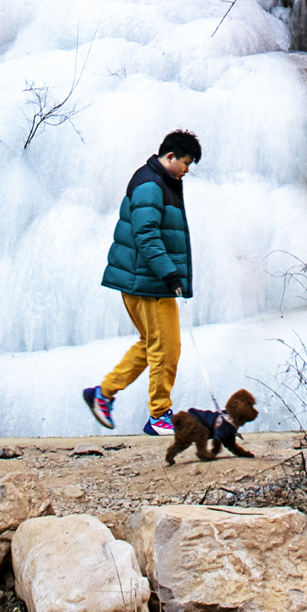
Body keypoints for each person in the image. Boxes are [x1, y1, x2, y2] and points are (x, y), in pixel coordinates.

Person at [83, 129, 200, 436]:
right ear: (170, 156)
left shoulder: (161, 180)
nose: (187, 170)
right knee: (167, 349)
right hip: (148, 282)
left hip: (146, 281)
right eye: (186, 163)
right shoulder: (151, 184)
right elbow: (146, 233)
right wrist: (168, 272)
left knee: (152, 344)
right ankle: (159, 416)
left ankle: (103, 393)